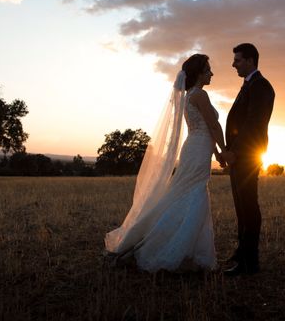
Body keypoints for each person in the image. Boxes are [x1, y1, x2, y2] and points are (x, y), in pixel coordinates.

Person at [105, 54, 227, 272]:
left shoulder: (190, 95)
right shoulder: (200, 95)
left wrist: (216, 152)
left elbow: (207, 129)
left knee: (185, 193)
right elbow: (214, 126)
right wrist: (225, 151)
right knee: (194, 193)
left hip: (196, 148)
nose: (211, 73)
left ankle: (186, 248)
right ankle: (171, 249)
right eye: (208, 69)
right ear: (198, 73)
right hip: (198, 150)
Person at [221, 43, 275, 275]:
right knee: (241, 206)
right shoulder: (249, 84)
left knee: (249, 206)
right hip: (239, 155)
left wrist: (235, 151)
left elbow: (254, 123)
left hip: (248, 154)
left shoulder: (261, 86)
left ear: (251, 60)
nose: (233, 64)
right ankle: (242, 252)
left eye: (238, 60)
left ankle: (249, 263)